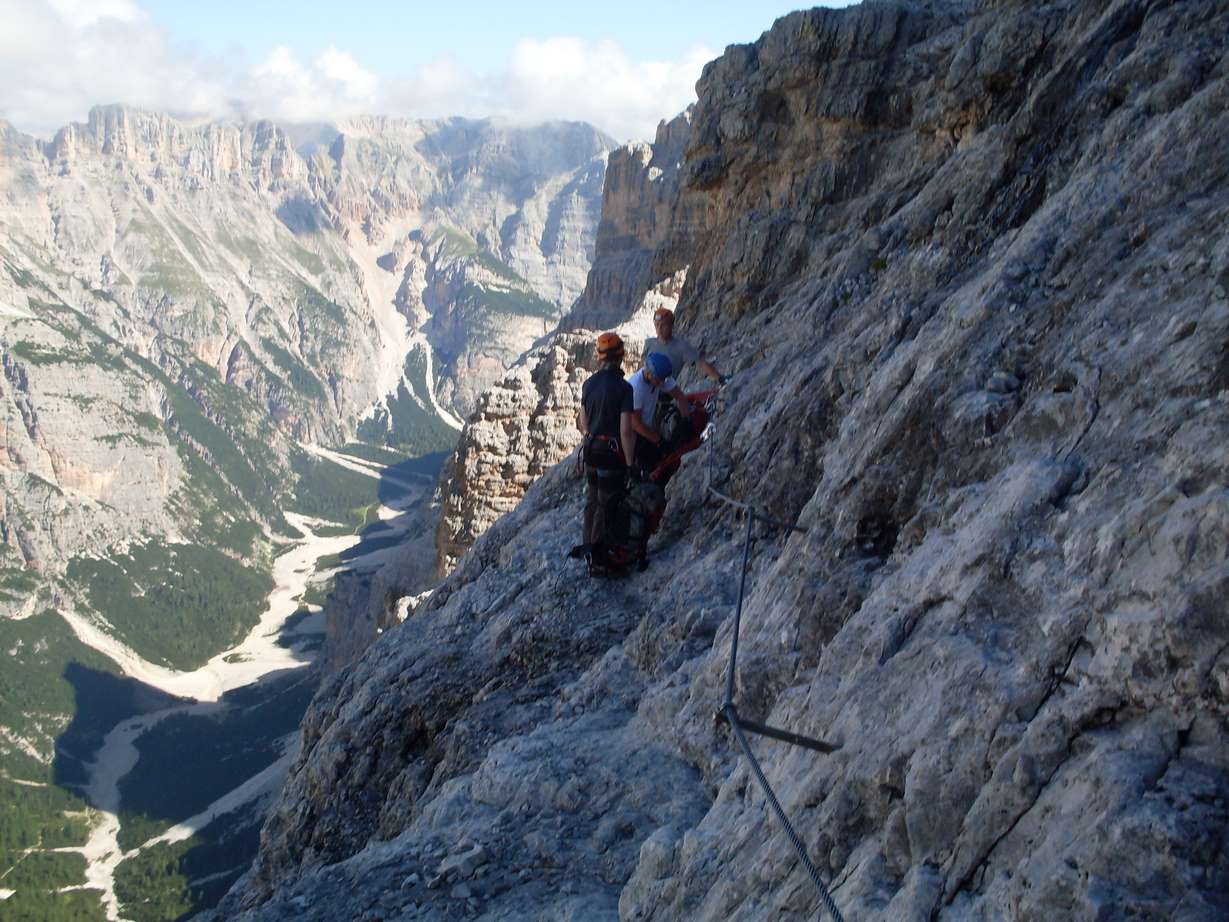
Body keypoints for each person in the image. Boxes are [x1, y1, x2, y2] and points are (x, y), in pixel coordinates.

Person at [576, 332, 635, 546]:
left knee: (592, 499)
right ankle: (599, 554)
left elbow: (584, 422)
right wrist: (630, 464)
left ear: (600, 357)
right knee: (606, 501)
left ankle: (588, 547)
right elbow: (626, 431)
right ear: (621, 356)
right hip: (610, 453)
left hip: (591, 448)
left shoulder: (588, 384)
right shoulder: (625, 388)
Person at [627, 352, 691, 472]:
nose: (662, 383)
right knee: (652, 462)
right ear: (649, 374)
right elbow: (635, 424)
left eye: (663, 380)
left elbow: (680, 397)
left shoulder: (661, 377)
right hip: (634, 434)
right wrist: (658, 441)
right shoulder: (636, 388)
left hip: (647, 426)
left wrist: (685, 420)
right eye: (659, 380)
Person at [645, 307, 725, 385]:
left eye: (663, 325)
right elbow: (641, 369)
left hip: (666, 393)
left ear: (671, 325)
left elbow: (700, 364)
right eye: (657, 325)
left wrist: (720, 378)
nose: (659, 329)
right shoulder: (649, 344)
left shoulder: (681, 347)